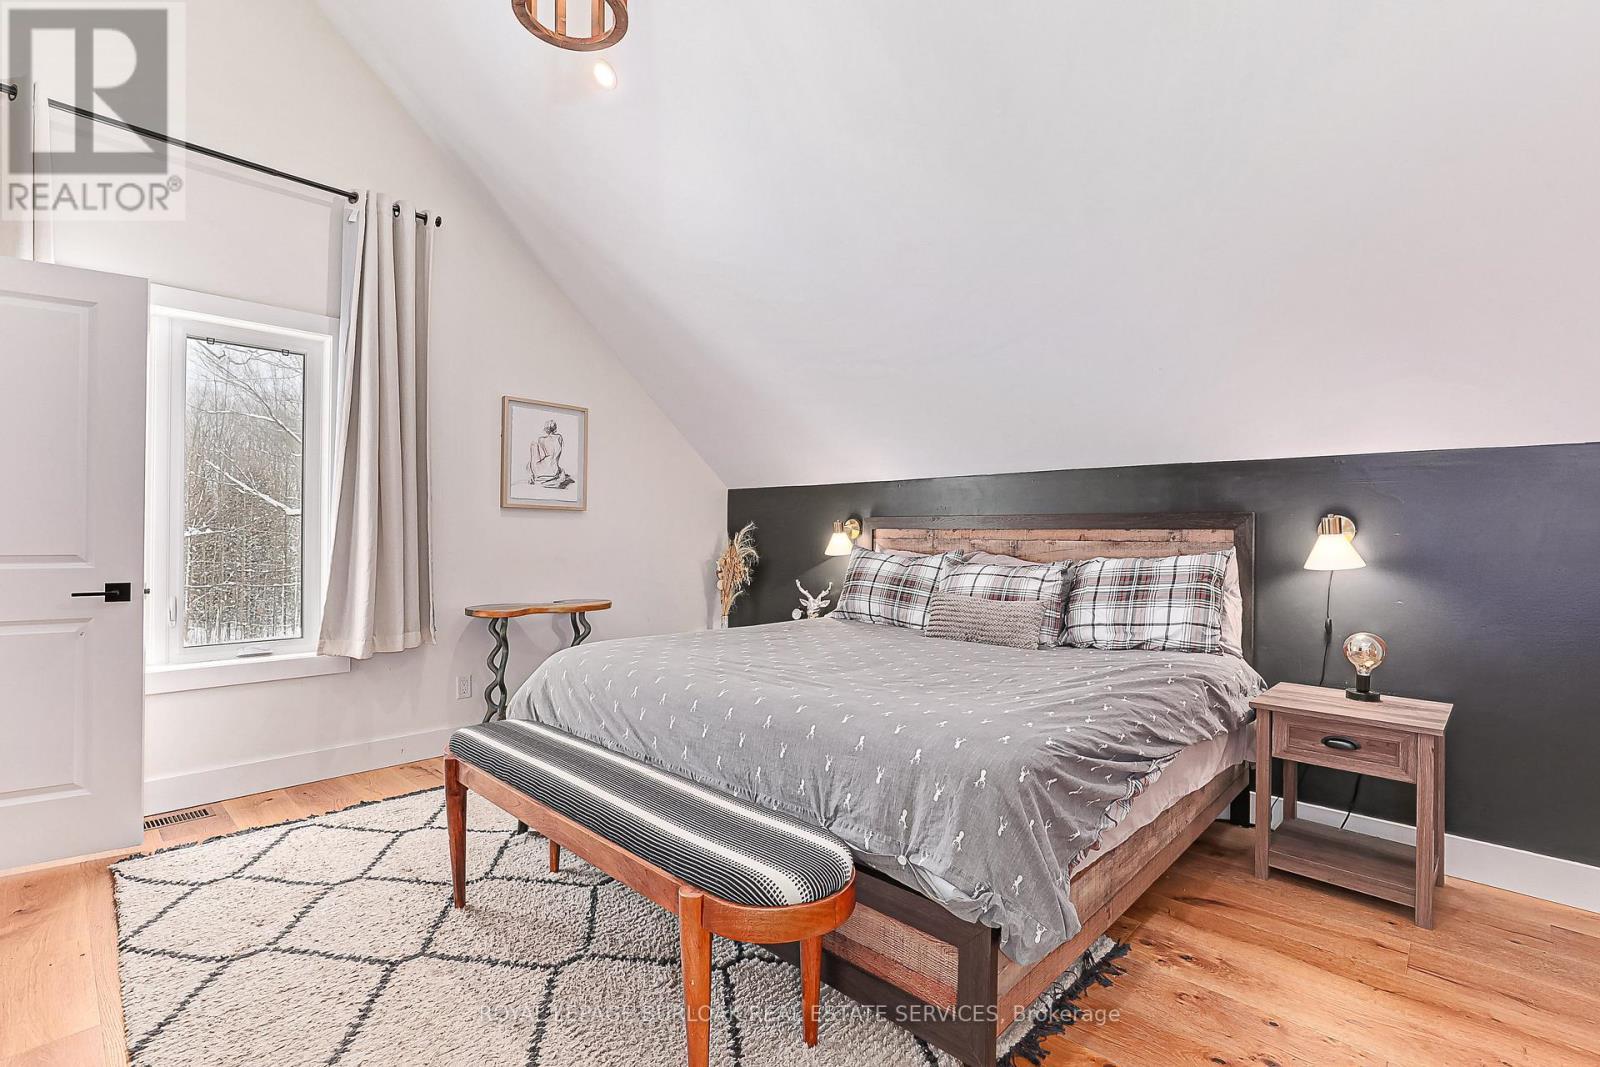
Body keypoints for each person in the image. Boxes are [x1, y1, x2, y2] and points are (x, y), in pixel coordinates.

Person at [530, 419, 573, 488]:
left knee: (533, 444)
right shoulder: (559, 437)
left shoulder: (541, 439)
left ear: (545, 429)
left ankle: (534, 475)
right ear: (555, 428)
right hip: (554, 471)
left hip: (541, 470)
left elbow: (541, 456)